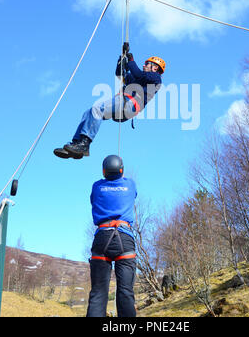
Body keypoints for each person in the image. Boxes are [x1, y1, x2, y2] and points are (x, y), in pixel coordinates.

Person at [53, 44, 165, 159]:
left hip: (129, 104)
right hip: (124, 103)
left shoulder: (156, 78)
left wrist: (131, 61)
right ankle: (76, 143)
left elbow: (138, 73)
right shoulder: (139, 78)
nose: (144, 65)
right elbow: (120, 74)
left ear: (155, 68)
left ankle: (84, 144)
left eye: (147, 64)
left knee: (98, 109)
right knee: (88, 112)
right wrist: (122, 58)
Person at [86, 155, 137, 317]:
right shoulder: (130, 184)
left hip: (102, 237)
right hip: (124, 237)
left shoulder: (97, 186)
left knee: (98, 293)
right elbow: (133, 194)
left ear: (104, 171)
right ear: (121, 170)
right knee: (125, 292)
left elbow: (92, 200)